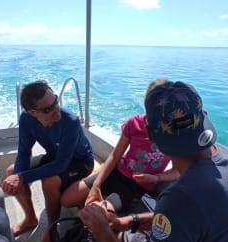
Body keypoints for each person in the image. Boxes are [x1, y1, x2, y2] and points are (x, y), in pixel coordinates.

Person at [38, 80, 228, 242]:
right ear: (202, 118)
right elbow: (193, 223)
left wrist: (101, 229)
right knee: (122, 237)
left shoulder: (181, 198)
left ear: (150, 135)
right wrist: (129, 222)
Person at [1, 80, 94, 242]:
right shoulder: (27, 120)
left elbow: (60, 165)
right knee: (12, 171)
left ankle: (52, 230)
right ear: (33, 113)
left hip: (79, 162)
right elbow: (23, 153)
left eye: (56, 102)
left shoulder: (70, 122)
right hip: (55, 156)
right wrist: (18, 177)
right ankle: (30, 219)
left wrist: (23, 177)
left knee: (50, 181)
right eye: (48, 109)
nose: (56, 109)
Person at [60, 78, 179, 215]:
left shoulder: (175, 134)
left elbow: (177, 171)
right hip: (117, 172)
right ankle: (99, 184)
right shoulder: (134, 123)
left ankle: (108, 200)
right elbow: (115, 155)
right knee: (66, 200)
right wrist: (97, 184)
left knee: (100, 214)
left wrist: (156, 178)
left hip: (136, 187)